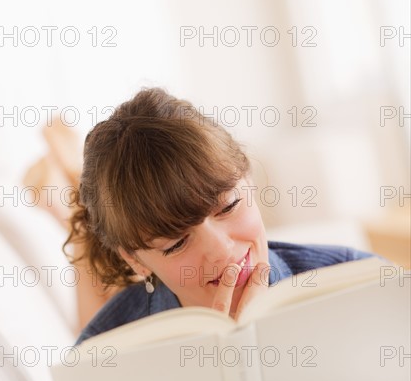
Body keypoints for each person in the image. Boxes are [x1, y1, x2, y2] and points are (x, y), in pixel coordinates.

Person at [58, 87, 374, 350]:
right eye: (176, 243)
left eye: (228, 207)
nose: (222, 250)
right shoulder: (103, 353)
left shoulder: (363, 280)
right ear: (135, 259)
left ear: (248, 181)